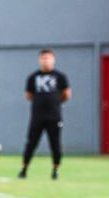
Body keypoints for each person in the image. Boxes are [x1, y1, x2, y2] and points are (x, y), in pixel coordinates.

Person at [18, 49, 71, 180]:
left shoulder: (60, 77)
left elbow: (66, 95)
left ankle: (55, 169)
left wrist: (55, 102)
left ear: (53, 60)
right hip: (37, 117)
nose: (46, 60)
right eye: (43, 58)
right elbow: (29, 95)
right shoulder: (33, 77)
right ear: (39, 60)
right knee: (31, 143)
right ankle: (24, 168)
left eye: (48, 58)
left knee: (55, 144)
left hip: (54, 117)